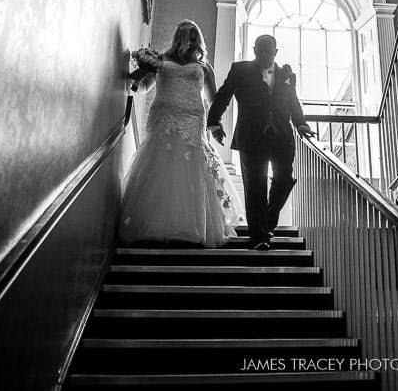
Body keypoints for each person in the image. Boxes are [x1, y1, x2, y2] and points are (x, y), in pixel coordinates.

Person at [119, 20, 240, 247]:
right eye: (188, 37)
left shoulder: (204, 67)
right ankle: (156, 223)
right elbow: (143, 87)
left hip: (194, 118)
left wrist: (216, 125)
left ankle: (191, 225)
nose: (192, 41)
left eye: (195, 37)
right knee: (161, 165)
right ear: (178, 38)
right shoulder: (161, 60)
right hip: (164, 115)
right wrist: (139, 72)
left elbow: (214, 98)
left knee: (192, 167)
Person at [207, 35, 316, 250]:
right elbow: (223, 96)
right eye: (260, 51)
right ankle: (259, 238)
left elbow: (293, 102)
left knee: (284, 179)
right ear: (254, 49)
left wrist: (301, 124)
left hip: (282, 136)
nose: (264, 55)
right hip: (251, 137)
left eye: (269, 51)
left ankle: (267, 220)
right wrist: (214, 123)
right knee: (255, 187)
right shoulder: (240, 70)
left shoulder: (286, 74)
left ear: (276, 51)